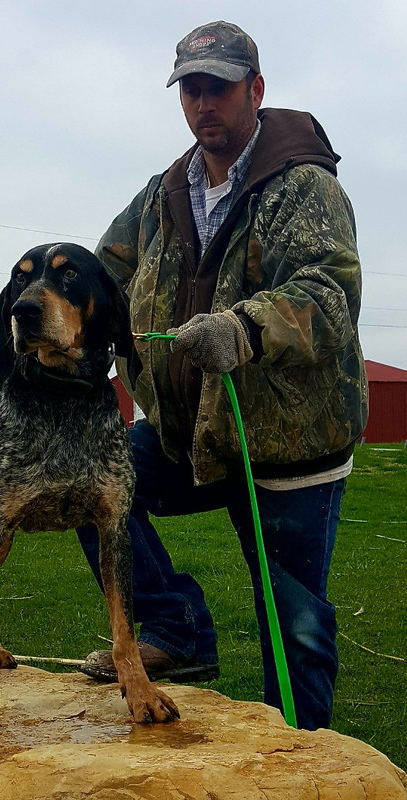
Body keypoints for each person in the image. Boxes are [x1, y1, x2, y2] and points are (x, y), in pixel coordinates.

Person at [75, 20, 368, 732]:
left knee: (291, 623)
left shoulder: (303, 185)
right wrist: (26, 330)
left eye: (219, 87)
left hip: (291, 451)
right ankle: (175, 626)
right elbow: (97, 276)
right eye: (191, 89)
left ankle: (304, 761)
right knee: (92, 484)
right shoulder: (161, 194)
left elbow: (329, 292)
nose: (203, 104)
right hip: (187, 436)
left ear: (254, 89)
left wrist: (243, 327)